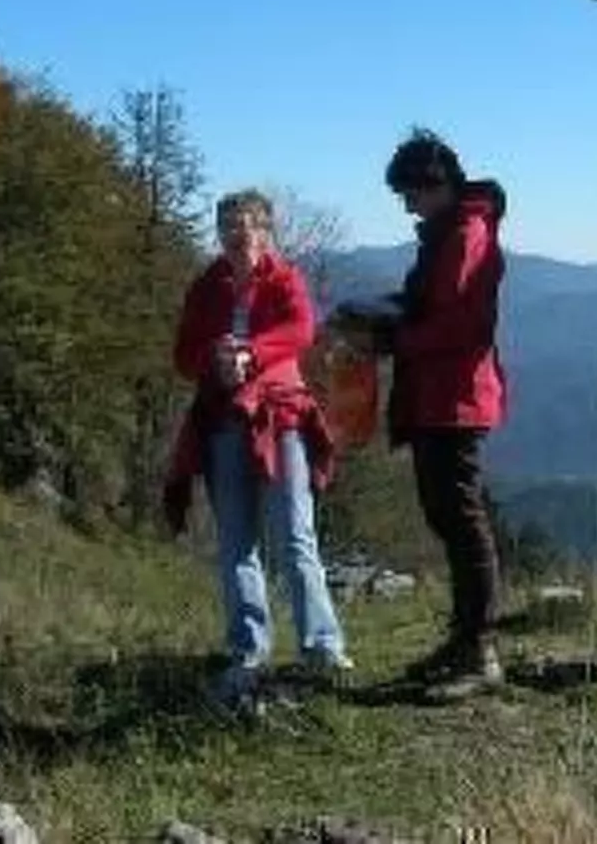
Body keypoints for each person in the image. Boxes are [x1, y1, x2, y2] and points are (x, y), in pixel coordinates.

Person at [336, 128, 508, 696]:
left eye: (410, 194)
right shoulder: (447, 233)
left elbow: (461, 325)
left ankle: (478, 650)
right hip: (441, 393)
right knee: (448, 515)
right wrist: (377, 314)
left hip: (454, 397)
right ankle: (465, 641)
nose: (407, 206)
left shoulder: (464, 235)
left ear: (435, 185)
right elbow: (429, 306)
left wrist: (390, 340)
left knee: (460, 518)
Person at [162, 189, 351, 704]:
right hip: (224, 419)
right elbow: (184, 353)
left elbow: (300, 330)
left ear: (266, 233)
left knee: (294, 532)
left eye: (247, 227)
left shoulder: (284, 278)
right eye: (228, 228)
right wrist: (215, 357)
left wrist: (251, 352)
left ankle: (323, 646)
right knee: (236, 540)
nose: (237, 237)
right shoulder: (206, 287)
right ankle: (249, 647)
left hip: (280, 414)